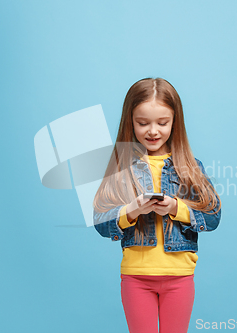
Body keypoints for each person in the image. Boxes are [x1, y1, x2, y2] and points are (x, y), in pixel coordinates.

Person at [93, 77, 222, 333]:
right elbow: (101, 222)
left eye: (162, 123)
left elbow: (213, 217)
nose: (153, 131)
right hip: (136, 277)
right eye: (143, 123)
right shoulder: (121, 168)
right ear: (130, 122)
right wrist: (132, 211)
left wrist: (176, 208)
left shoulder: (191, 167)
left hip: (179, 276)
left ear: (175, 122)